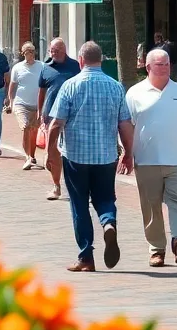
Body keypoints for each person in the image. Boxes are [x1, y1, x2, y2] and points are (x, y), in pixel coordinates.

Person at [48, 41, 134, 272]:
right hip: (106, 156)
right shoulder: (116, 87)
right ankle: (108, 223)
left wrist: (50, 152)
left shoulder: (70, 86)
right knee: (105, 198)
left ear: (81, 60)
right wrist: (128, 152)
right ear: (101, 60)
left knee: (79, 205)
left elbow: (57, 123)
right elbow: (125, 123)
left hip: (76, 156)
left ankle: (86, 257)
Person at [126, 48, 177, 267]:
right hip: (146, 160)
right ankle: (156, 250)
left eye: (167, 64)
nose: (164, 68)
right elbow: (127, 126)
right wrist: (126, 153)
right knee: (151, 207)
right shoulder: (134, 93)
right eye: (159, 64)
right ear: (148, 67)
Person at [38, 38, 81, 201]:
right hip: (51, 116)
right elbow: (41, 91)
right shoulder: (46, 67)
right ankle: (56, 186)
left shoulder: (75, 66)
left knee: (74, 152)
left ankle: (80, 187)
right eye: (51, 50)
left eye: (56, 50)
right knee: (53, 152)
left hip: (73, 116)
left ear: (64, 50)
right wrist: (40, 111)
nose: (53, 53)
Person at [7, 42, 44, 170]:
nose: (30, 54)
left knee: (34, 131)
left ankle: (32, 156)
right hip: (21, 103)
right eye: (27, 51)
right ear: (23, 53)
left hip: (37, 105)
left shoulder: (42, 66)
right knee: (26, 127)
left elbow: (46, 86)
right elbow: (12, 87)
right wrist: (10, 102)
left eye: (32, 51)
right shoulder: (17, 68)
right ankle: (28, 157)